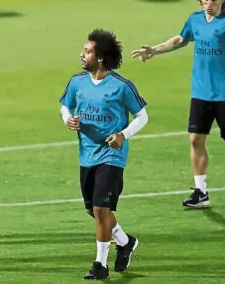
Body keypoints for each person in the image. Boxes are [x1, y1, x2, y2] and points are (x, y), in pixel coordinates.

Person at [131, 0, 225, 208]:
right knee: (195, 139)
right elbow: (180, 40)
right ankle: (201, 192)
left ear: (223, 0)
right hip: (200, 92)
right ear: (200, 0)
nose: (209, 3)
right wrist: (154, 50)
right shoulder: (195, 20)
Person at [59, 29, 148, 279]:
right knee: (95, 210)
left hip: (111, 155)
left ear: (100, 57)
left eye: (87, 51)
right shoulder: (77, 81)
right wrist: (68, 119)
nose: (82, 55)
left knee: (100, 209)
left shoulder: (121, 86)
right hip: (86, 154)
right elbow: (65, 106)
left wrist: (123, 135)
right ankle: (125, 241)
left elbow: (142, 116)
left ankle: (101, 265)